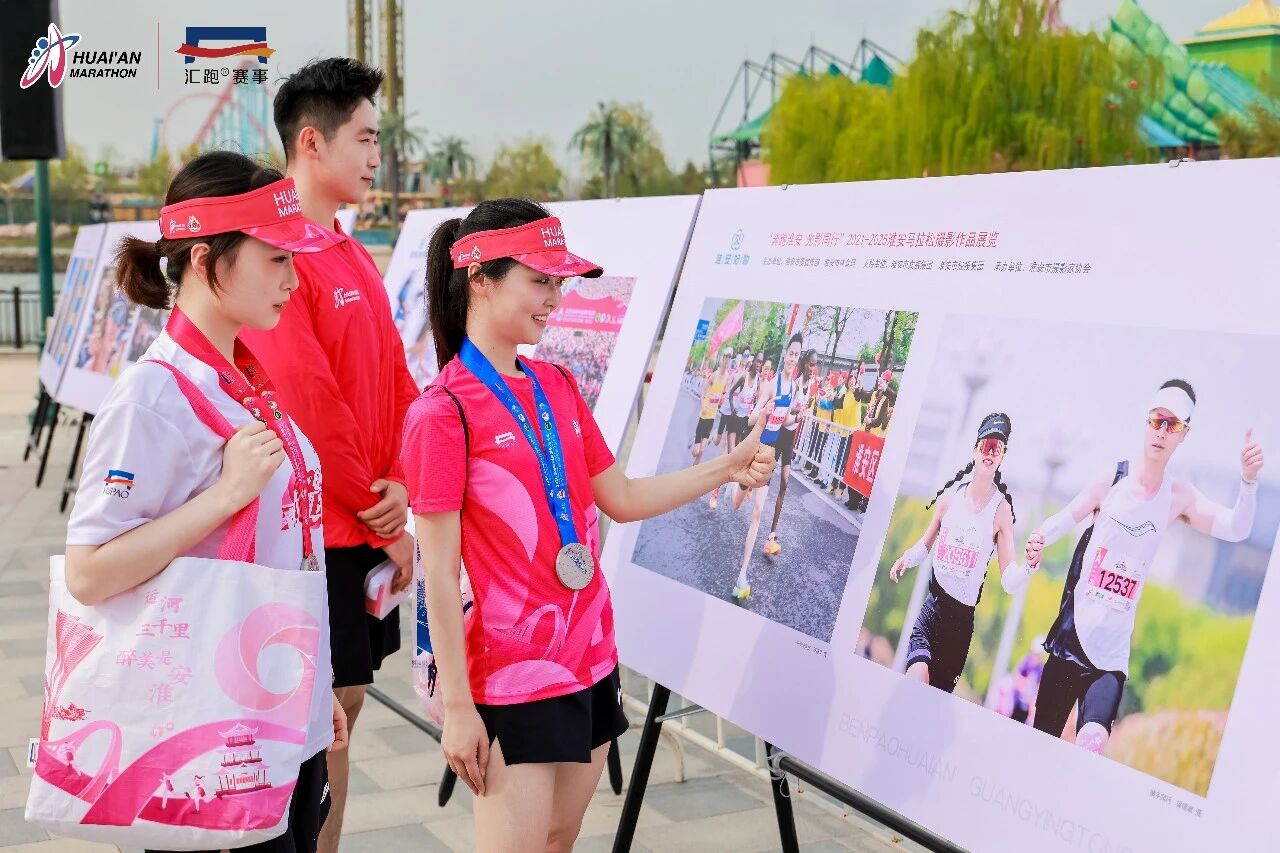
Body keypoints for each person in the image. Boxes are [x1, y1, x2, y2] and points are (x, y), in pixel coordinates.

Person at [402, 199, 774, 853]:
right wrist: (458, 708)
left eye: (559, 282)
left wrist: (728, 467)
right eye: (540, 280)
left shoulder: (559, 386)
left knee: (559, 839)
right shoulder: (442, 412)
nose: (555, 298)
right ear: (481, 278)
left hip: (590, 658)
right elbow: (436, 571)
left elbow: (621, 497)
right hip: (508, 679)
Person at [63, 152, 348, 852]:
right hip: (210, 737)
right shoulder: (152, 395)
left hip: (276, 716)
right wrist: (225, 495)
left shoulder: (243, 378)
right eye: (276, 258)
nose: (292, 279)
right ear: (204, 259)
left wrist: (318, 687)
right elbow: (89, 572)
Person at [236, 57, 418, 851]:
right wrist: (385, 518)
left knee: (346, 707)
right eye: (366, 138)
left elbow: (397, 377)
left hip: (366, 524)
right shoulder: (280, 255)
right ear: (311, 142)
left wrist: (404, 482)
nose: (378, 155)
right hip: (321, 534)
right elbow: (310, 408)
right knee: (321, 718)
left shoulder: (347, 250)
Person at [1012, 380, 1263, 753]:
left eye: (1172, 425)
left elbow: (1237, 528)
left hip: (1111, 656)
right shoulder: (1112, 479)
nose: (1161, 432)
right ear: (1146, 422)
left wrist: (1248, 482)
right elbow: (1066, 517)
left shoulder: (1178, 498)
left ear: (1184, 434)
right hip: (1070, 638)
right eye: (1157, 420)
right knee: (1038, 747)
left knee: (1092, 742)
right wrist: (1038, 540)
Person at [888, 414, 1028, 692]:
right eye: (986, 445)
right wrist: (906, 558)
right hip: (932, 612)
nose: (990, 452)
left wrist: (1029, 568)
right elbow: (924, 547)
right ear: (974, 449)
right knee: (915, 683)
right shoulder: (949, 500)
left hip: (960, 627)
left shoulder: (1001, 511)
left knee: (931, 704)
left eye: (997, 448)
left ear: (1002, 457)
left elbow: (1009, 580)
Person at [729, 333, 805, 599]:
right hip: (754, 448)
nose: (793, 358)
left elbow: (784, 422)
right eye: (791, 353)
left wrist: (797, 416)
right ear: (786, 354)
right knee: (736, 503)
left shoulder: (793, 388)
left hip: (768, 456)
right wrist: (763, 412)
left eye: (797, 355)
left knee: (758, 512)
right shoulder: (772, 386)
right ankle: (733, 487)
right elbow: (751, 418)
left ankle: (742, 577)